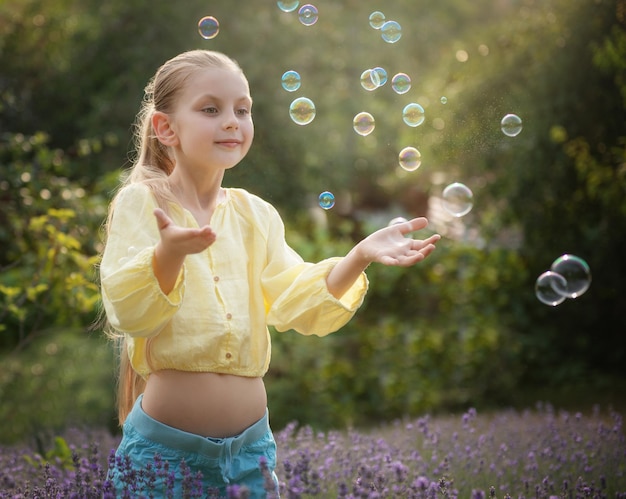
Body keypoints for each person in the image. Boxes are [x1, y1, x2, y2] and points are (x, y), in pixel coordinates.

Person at [100, 49, 441, 498]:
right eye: (210, 109)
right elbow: (128, 311)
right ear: (166, 128)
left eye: (243, 110)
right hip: (164, 457)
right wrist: (168, 254)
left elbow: (294, 300)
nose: (231, 121)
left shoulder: (256, 215)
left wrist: (356, 257)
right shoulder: (144, 204)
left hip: (250, 456)